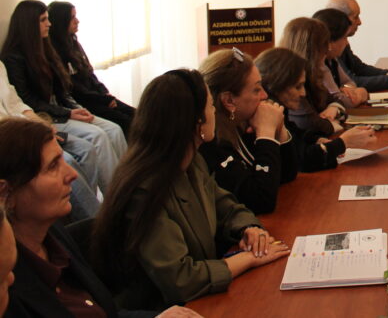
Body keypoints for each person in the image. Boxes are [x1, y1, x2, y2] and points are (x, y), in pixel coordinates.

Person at [92, 69, 289, 310]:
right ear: (196, 121)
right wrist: (249, 258)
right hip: (163, 310)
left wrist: (249, 228)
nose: (215, 110)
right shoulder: (145, 191)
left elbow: (226, 206)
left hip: (197, 302)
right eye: (209, 105)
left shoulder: (190, 162)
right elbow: (181, 279)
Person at [0, 118, 199, 318]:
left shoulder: (53, 236)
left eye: (62, 159)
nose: (72, 174)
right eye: (53, 166)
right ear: (5, 193)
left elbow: (107, 313)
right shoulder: (6, 283)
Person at [1, 0, 126, 194]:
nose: (48, 24)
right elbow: (27, 101)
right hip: (47, 115)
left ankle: (125, 188)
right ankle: (113, 198)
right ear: (28, 24)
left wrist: (73, 108)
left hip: (61, 109)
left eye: (48, 19)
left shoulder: (45, 47)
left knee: (114, 129)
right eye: (43, 20)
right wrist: (67, 113)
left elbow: (63, 88)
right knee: (96, 138)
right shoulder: (13, 58)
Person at [198, 48, 298, 214]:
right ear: (229, 100)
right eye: (256, 90)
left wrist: (279, 130)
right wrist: (266, 133)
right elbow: (260, 201)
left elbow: (287, 174)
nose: (265, 95)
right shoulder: (211, 143)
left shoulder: (240, 124)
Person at [0, 61, 101, 222]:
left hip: (26, 128)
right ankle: (95, 223)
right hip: (11, 139)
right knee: (65, 160)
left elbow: (16, 103)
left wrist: (41, 125)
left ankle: (82, 211)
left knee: (85, 149)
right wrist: (32, 134)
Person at [254, 47, 376, 171]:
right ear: (277, 86)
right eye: (298, 87)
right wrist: (343, 143)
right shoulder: (264, 116)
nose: (303, 93)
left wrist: (316, 139)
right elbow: (300, 160)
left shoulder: (280, 107)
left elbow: (296, 134)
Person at [47, 1, 135, 134]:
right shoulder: (54, 51)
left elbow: (89, 73)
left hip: (96, 96)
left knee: (137, 114)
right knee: (126, 121)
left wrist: (103, 92)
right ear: (61, 21)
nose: (77, 21)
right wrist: (103, 99)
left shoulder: (74, 43)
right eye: (72, 18)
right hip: (84, 102)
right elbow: (74, 89)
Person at [278, 17, 348, 133]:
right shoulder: (289, 79)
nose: (329, 49)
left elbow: (335, 100)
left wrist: (334, 107)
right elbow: (308, 123)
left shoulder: (313, 73)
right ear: (311, 50)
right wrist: (332, 125)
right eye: (325, 45)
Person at [325, 0, 388, 90]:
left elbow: (358, 68)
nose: (360, 22)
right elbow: (350, 81)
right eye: (355, 17)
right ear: (340, 18)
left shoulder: (340, 40)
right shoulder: (329, 45)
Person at [310, 8, 369, 108]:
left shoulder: (332, 59)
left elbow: (349, 82)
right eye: (345, 37)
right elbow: (344, 102)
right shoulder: (320, 64)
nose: (346, 43)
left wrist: (346, 88)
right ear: (330, 41)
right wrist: (362, 92)